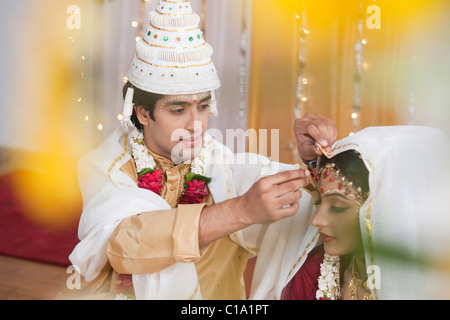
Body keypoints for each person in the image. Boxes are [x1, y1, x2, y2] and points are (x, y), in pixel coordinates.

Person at [57, 0, 337, 300]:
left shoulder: (222, 168)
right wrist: (240, 211)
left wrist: (312, 160)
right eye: (178, 110)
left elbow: (304, 205)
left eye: (203, 107)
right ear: (143, 114)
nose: (196, 125)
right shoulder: (106, 167)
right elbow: (123, 243)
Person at [250, 125, 450, 300]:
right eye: (318, 204)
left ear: (384, 210)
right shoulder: (313, 273)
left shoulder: (437, 286)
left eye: (337, 207)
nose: (316, 220)